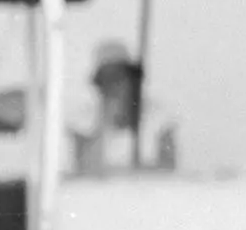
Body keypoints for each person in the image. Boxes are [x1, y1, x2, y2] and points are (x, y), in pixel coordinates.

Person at [73, 42, 179, 176]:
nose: (114, 85)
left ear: (131, 79)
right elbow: (83, 169)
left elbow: (168, 168)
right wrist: (104, 122)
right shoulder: (82, 121)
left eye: (119, 77)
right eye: (107, 78)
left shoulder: (159, 117)